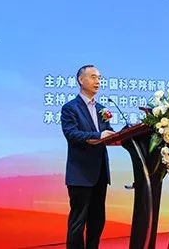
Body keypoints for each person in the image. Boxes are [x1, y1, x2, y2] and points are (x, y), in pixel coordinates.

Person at [61, 64, 115, 249]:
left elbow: (109, 133)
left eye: (99, 78)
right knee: (78, 221)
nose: (97, 81)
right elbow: (71, 134)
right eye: (93, 77)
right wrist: (99, 135)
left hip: (100, 173)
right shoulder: (70, 108)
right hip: (80, 174)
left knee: (97, 219)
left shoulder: (101, 109)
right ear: (80, 80)